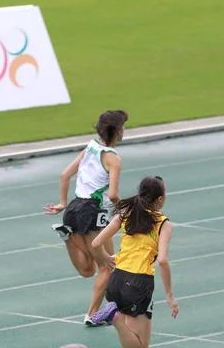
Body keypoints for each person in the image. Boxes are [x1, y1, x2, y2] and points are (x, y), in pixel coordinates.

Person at [44, 109, 129, 326]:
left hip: (73, 209)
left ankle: (66, 237)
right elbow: (112, 194)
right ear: (118, 131)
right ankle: (92, 315)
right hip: (92, 212)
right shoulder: (114, 159)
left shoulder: (90, 146)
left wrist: (62, 203)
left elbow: (65, 175)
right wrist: (123, 209)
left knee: (88, 270)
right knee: (109, 266)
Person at [89, 176, 179, 348]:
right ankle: (114, 318)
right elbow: (162, 260)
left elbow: (96, 243)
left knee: (130, 340)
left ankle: (114, 317)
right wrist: (169, 295)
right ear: (159, 199)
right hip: (138, 283)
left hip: (116, 279)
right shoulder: (163, 223)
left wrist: (107, 257)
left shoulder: (126, 213)